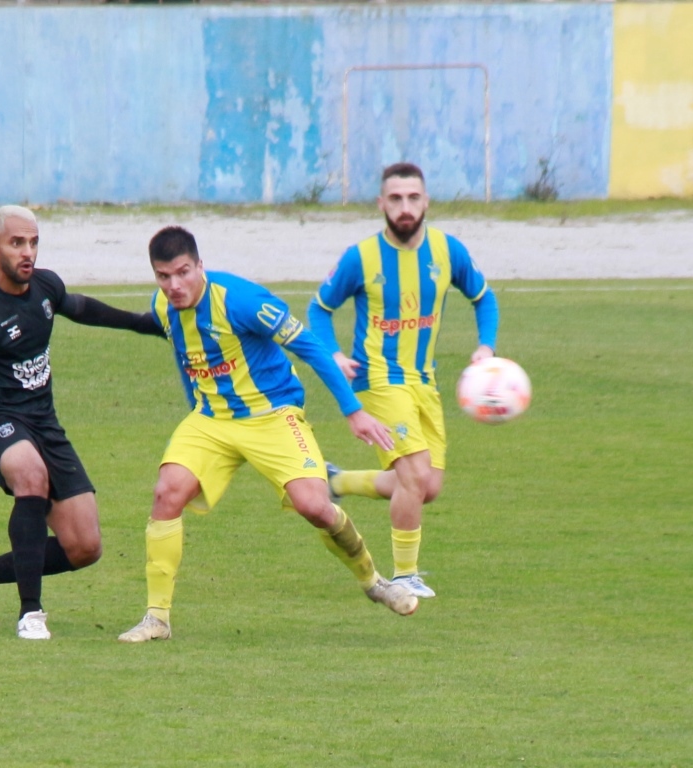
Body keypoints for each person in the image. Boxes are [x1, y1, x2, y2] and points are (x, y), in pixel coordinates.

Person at [118, 225, 418, 644]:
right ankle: (157, 619)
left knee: (313, 506)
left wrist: (354, 411)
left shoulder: (242, 300)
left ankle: (374, 581)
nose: (174, 285)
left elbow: (310, 346)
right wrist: (195, 417)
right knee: (167, 493)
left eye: (183, 273)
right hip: (211, 420)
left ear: (200, 265)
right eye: (163, 277)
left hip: (273, 414)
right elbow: (188, 362)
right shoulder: (164, 307)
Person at [0, 204, 165, 640]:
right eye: (16, 243)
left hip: (44, 422)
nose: (28, 252)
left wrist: (144, 324)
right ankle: (31, 613)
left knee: (84, 546)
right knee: (30, 473)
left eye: (33, 242)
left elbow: (80, 307)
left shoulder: (45, 287)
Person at [307, 162, 499, 599]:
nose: (405, 207)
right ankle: (404, 575)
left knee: (426, 487)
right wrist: (333, 353)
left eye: (413, 197)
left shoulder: (448, 251)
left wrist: (486, 346)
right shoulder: (362, 257)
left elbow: (484, 298)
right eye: (395, 198)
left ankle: (337, 481)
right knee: (413, 474)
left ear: (426, 201)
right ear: (381, 204)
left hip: (423, 382)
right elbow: (319, 308)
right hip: (377, 380)